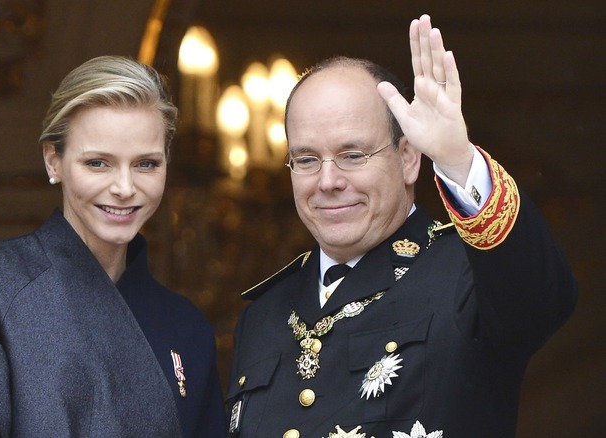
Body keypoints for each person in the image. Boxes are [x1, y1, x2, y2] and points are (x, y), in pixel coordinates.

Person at [227, 14, 577, 438]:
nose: (328, 181)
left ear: (409, 158)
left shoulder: (468, 278)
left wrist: (456, 158)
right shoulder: (262, 315)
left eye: (353, 155)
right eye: (306, 159)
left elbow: (542, 298)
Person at [0, 56, 227, 437]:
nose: (125, 188)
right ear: (54, 161)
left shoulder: (186, 326)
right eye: (98, 163)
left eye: (146, 164)